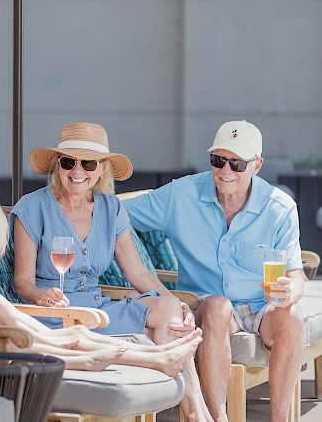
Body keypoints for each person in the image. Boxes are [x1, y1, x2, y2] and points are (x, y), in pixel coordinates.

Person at [12, 122, 212, 421]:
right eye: (69, 161)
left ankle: (192, 411)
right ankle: (197, 413)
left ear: (102, 169)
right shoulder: (32, 207)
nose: (77, 171)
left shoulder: (111, 208)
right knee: (161, 332)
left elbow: (138, 274)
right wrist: (43, 297)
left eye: (88, 163)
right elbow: (22, 282)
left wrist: (178, 303)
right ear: (57, 164)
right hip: (54, 314)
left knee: (170, 314)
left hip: (99, 309)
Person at [123, 120, 305, 422]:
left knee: (292, 315)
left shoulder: (280, 207)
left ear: (257, 165)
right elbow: (118, 211)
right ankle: (219, 417)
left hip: (262, 306)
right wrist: (76, 198)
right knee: (218, 306)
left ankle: (279, 419)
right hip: (206, 305)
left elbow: (296, 273)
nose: (226, 171)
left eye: (237, 163)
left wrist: (291, 290)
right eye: (218, 160)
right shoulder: (181, 195)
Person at [0, 198, 203, 375]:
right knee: (74, 339)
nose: (0, 249)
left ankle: (161, 354)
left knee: (77, 336)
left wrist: (59, 335)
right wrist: (54, 337)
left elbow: (12, 314)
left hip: (1, 342)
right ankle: (157, 358)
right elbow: (9, 319)